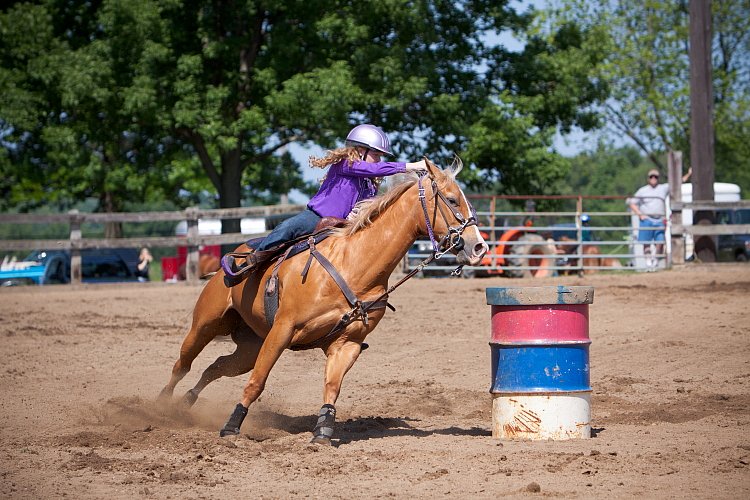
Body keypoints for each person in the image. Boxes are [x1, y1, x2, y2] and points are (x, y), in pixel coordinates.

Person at [233, 124, 427, 272]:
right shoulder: (346, 164)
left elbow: (368, 200)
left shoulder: (370, 183)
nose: (379, 160)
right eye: (376, 154)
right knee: (288, 228)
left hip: (345, 227)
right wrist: (410, 166)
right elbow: (374, 168)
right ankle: (253, 261)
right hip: (317, 218)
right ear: (360, 150)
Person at [628, 167, 692, 271]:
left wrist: (688, 174)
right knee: (646, 243)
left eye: (656, 177)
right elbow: (632, 203)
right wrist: (640, 214)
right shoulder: (642, 191)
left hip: (659, 220)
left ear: (658, 178)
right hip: (647, 219)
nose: (653, 178)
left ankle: (655, 262)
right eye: (651, 177)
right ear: (648, 179)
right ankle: (649, 263)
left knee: (660, 242)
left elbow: (678, 182)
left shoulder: (663, 188)